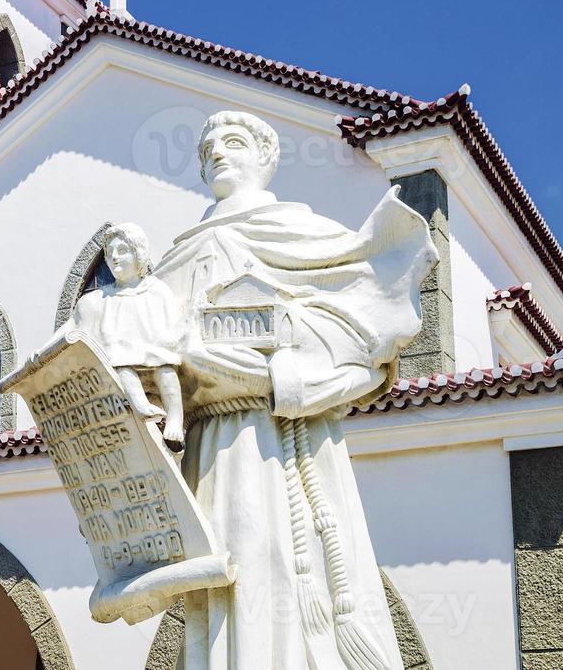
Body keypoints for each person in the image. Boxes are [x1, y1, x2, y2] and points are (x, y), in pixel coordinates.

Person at [152, 109, 437, 670]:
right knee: (222, 578)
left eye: (232, 141)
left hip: (285, 440)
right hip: (210, 447)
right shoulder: (175, 257)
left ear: (266, 156)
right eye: (206, 146)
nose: (216, 153)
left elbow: (368, 342)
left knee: (282, 559)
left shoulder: (305, 234)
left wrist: (278, 377)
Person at [72, 222, 187, 449]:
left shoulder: (156, 289)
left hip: (156, 354)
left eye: (122, 251)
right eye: (109, 253)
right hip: (122, 361)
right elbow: (73, 329)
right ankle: (140, 406)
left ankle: (175, 418)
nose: (114, 257)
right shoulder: (102, 297)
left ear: (138, 254)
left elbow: (173, 322)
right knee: (120, 364)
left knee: (166, 369)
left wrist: (165, 344)